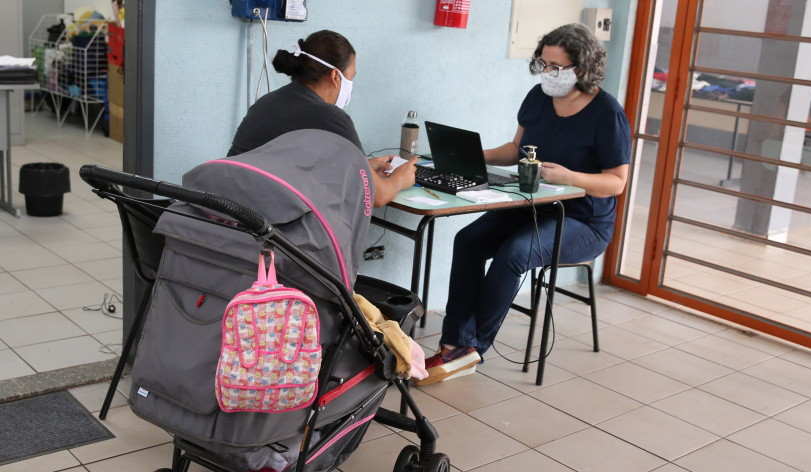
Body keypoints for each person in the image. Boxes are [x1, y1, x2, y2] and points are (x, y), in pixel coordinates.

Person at [416, 23, 631, 386]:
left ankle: (471, 349)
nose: (548, 74)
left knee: (514, 253)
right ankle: (453, 340)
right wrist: (466, 157)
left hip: (583, 221)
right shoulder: (537, 98)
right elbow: (516, 150)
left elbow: (616, 182)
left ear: (583, 68)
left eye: (557, 67)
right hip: (533, 205)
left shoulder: (607, 114)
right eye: (543, 64)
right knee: (467, 241)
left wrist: (571, 177)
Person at [227, 30, 417, 207]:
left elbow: (285, 166)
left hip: (229, 216)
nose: (350, 85)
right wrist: (400, 179)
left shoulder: (265, 102)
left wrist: (365, 166)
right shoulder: (331, 118)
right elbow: (376, 196)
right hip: (272, 228)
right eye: (350, 77)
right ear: (335, 76)